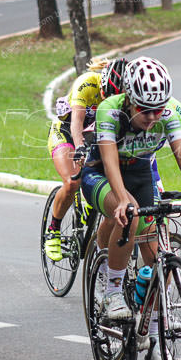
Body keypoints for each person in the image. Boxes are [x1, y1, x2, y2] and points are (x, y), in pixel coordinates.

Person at [81, 56, 181, 360]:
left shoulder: (171, 110)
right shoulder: (110, 110)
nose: (153, 115)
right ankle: (113, 292)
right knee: (128, 215)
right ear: (130, 100)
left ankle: (155, 338)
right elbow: (109, 162)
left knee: (158, 252)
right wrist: (121, 199)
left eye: (158, 109)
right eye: (145, 109)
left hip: (141, 174)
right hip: (101, 174)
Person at [44, 58, 127, 261]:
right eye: (106, 96)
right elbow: (76, 123)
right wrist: (80, 148)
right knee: (72, 181)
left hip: (96, 136)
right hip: (67, 132)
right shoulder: (87, 82)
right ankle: (53, 230)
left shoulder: (124, 98)